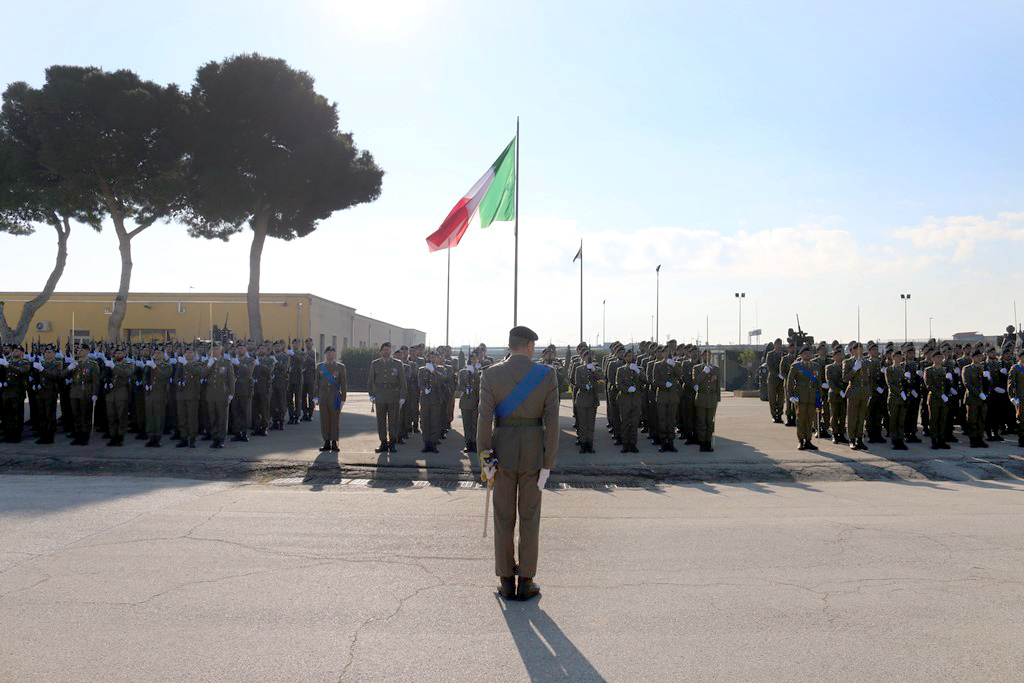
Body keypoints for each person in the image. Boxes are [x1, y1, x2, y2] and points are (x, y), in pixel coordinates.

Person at [477, 325, 560, 601]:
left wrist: (486, 459)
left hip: (502, 453)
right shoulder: (547, 376)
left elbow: (483, 422)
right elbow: (553, 424)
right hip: (534, 455)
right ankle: (526, 580)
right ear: (529, 346)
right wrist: (547, 464)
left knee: (503, 517)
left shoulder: (490, 374)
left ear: (509, 346)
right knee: (530, 517)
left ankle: (505, 580)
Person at [368, 341, 407, 454]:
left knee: (393, 421)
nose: (386, 351)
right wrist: (371, 395)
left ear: (390, 351)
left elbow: (403, 382)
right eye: (384, 350)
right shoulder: (375, 364)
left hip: (393, 396)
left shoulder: (398, 363)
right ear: (381, 351)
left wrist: (402, 397)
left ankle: (392, 443)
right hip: (380, 396)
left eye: (388, 350)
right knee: (381, 421)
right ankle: (383, 443)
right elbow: (371, 381)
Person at [787, 344, 820, 450]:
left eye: (809, 353)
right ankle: (801, 441)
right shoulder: (796, 366)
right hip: (800, 396)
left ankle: (808, 440)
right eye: (805, 353)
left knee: (810, 419)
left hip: (812, 397)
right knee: (801, 419)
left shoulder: (815, 365)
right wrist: (791, 395)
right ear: (801, 355)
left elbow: (818, 382)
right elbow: (790, 382)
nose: (808, 355)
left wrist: (819, 397)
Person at [66, 345, 100, 445]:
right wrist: (69, 368)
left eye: (82, 350)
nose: (79, 352)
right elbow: (62, 375)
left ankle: (85, 436)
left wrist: (95, 393)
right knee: (76, 414)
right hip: (74, 392)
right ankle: (78, 434)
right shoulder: (74, 363)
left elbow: (96, 381)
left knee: (85, 415)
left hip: (86, 391)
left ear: (87, 351)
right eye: (78, 350)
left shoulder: (93, 365)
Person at [315, 345, 347, 452]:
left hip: (335, 396)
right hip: (323, 396)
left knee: (335, 419)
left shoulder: (340, 367)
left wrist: (343, 398)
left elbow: (343, 383)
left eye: (332, 353)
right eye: (328, 353)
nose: (330, 355)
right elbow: (316, 383)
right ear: (325, 354)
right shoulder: (320, 367)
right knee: (324, 419)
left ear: (335, 354)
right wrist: (315, 396)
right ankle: (326, 442)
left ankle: (334, 442)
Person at [204, 343, 235, 449]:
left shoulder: (226, 362)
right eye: (213, 349)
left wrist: (231, 394)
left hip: (223, 394)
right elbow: (202, 375)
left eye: (216, 349)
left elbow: (231, 379)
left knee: (222, 418)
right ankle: (215, 438)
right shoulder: (207, 362)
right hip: (211, 395)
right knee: (212, 418)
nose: (214, 351)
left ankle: (221, 439)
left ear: (221, 350)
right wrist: (209, 365)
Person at [572, 349, 603, 453]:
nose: (588, 358)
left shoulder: (596, 368)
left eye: (590, 356)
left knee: (591, 424)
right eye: (586, 356)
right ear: (583, 358)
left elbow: (601, 379)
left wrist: (594, 370)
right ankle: (583, 444)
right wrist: (584, 386)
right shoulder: (579, 369)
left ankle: (590, 444)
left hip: (592, 399)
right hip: (582, 399)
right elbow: (577, 383)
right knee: (582, 424)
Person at [614, 348, 644, 453]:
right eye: (628, 356)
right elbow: (618, 384)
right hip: (625, 400)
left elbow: (646, 380)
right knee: (625, 422)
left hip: (636, 400)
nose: (630, 358)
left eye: (632, 356)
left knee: (635, 423)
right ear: (625, 357)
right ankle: (625, 444)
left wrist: (638, 371)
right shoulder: (621, 370)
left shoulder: (639, 369)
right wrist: (627, 389)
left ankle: (633, 444)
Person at [842, 341, 871, 451]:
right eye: (857, 349)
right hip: (853, 391)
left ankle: (859, 438)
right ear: (853, 350)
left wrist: (869, 393)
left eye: (861, 349)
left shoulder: (867, 362)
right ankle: (852, 439)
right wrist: (854, 369)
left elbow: (870, 379)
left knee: (861, 417)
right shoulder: (848, 362)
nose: (860, 351)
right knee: (852, 417)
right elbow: (845, 379)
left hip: (864, 392)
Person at [104, 348, 134, 447]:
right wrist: (105, 382)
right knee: (111, 416)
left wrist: (113, 366)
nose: (118, 354)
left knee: (121, 417)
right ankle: (113, 437)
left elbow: (126, 373)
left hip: (121, 392)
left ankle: (120, 437)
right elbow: (102, 375)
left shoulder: (128, 363)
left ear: (124, 354)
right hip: (110, 393)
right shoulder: (110, 363)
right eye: (116, 353)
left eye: (120, 353)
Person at [693, 349, 721, 452]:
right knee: (701, 422)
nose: (707, 357)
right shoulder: (697, 368)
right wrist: (704, 372)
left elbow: (718, 385)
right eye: (704, 355)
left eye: (709, 355)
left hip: (712, 398)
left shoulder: (716, 369)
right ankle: (702, 442)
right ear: (701, 356)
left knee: (710, 421)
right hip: (701, 397)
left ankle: (708, 441)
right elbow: (696, 381)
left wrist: (718, 399)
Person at [418, 349, 443, 453]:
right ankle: (426, 443)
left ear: (437, 358)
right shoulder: (422, 369)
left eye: (434, 357)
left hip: (435, 399)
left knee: (434, 422)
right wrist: (424, 389)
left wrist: (433, 371)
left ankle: (433, 443)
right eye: (430, 357)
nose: (432, 359)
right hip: (425, 399)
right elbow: (419, 383)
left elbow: (443, 379)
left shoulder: (441, 369)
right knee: (425, 421)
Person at [962, 347, 988, 448]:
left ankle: (980, 438)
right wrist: (978, 393)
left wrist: (986, 392)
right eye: (977, 356)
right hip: (972, 398)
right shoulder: (967, 368)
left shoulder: (984, 368)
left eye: (980, 356)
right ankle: (973, 439)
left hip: (983, 398)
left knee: (981, 420)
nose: (979, 358)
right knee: (972, 420)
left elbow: (988, 383)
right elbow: (967, 383)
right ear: (972, 358)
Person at [883, 348, 908, 450]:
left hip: (903, 399)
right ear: (893, 357)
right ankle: (894, 440)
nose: (899, 358)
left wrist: (906, 392)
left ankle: (900, 440)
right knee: (893, 420)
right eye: (897, 356)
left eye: (900, 356)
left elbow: (906, 383)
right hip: (894, 398)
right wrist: (901, 392)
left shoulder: (903, 369)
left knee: (901, 420)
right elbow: (890, 384)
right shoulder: (889, 369)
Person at [458, 351, 481, 453]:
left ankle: (475, 444)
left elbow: (481, 384)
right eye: (471, 359)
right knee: (466, 424)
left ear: (477, 359)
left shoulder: (480, 371)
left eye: (475, 359)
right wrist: (465, 389)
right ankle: (468, 444)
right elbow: (459, 385)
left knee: (474, 424)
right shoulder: (463, 372)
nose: (473, 360)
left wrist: (475, 373)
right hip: (465, 401)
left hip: (476, 400)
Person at [765, 338, 785, 423]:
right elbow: (769, 367)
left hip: (781, 380)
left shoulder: (783, 354)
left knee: (781, 398)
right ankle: (774, 415)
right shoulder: (770, 354)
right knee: (772, 398)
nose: (779, 345)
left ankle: (779, 415)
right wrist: (778, 374)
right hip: (773, 379)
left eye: (780, 344)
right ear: (774, 344)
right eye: (777, 344)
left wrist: (783, 375)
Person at [1007, 348, 1024, 448]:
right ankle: (1022, 439)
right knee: (1021, 419)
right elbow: (1010, 383)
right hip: (1020, 397)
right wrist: (1012, 397)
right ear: (1019, 357)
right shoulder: (1015, 368)